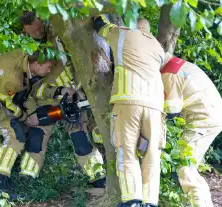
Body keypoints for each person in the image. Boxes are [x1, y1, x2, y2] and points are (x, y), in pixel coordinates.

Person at [19, 11, 106, 187]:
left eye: (39, 27)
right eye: (33, 31)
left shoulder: (57, 34)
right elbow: (27, 85)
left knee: (79, 138)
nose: (38, 31)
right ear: (25, 30)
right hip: (44, 102)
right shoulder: (22, 49)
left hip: (72, 98)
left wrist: (78, 88)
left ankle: (98, 177)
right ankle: (26, 180)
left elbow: (78, 62)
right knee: (36, 139)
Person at [93, 16, 166, 207]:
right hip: (156, 106)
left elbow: (100, 25)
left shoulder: (122, 33)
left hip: (128, 101)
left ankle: (132, 199)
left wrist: (97, 14)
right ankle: (150, 202)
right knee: (151, 154)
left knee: (126, 151)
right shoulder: (158, 47)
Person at [0, 49, 53, 193]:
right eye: (47, 67)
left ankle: (8, 171)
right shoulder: (13, 78)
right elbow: (7, 103)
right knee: (14, 136)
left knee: (18, 132)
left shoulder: (21, 58)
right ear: (36, 64)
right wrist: (24, 117)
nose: (49, 70)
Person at [161, 52, 222, 207]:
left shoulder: (169, 73)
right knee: (187, 165)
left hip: (203, 121)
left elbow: (171, 110)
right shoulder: (177, 64)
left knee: (184, 165)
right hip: (209, 116)